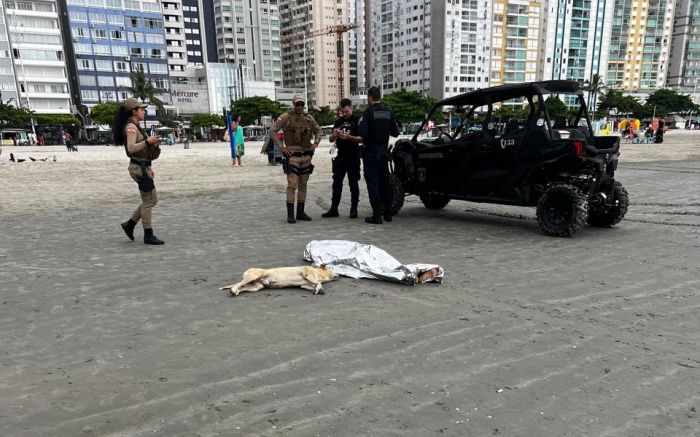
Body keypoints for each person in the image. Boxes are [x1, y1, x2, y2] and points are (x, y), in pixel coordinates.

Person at [113, 98, 164, 245]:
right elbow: (131, 148)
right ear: (134, 111)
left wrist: (148, 166)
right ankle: (148, 234)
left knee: (151, 200)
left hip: (142, 167)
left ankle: (130, 224)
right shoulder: (132, 127)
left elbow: (140, 152)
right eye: (141, 109)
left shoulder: (135, 125)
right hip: (138, 168)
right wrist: (148, 142)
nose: (144, 112)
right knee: (149, 201)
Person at [268, 95, 322, 223]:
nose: (299, 107)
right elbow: (272, 130)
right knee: (292, 185)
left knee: (303, 185)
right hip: (292, 157)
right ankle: (290, 214)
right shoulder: (286, 117)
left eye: (302, 104)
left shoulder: (308, 118)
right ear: (293, 104)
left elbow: (318, 130)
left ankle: (300, 212)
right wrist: (281, 147)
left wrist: (316, 143)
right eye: (297, 104)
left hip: (306, 155)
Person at [357, 86, 400, 224]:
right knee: (385, 183)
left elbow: (362, 133)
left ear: (370, 97)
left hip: (371, 153)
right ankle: (388, 212)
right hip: (384, 153)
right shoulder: (388, 112)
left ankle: (376, 215)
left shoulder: (368, 112)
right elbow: (395, 132)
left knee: (373, 183)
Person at [322, 98, 362, 219]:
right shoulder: (338, 121)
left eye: (346, 111)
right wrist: (334, 135)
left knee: (353, 183)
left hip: (354, 156)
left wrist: (348, 137)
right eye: (342, 112)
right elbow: (330, 140)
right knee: (337, 183)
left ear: (351, 108)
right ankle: (334, 208)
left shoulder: (357, 120)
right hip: (341, 157)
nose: (344, 114)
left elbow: (362, 139)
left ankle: (354, 209)